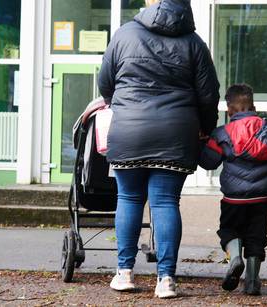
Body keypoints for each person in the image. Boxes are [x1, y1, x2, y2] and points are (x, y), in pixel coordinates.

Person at [97, 0, 220, 299]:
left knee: (128, 198)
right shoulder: (194, 43)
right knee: (165, 202)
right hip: (176, 134)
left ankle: (124, 273)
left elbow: (105, 83)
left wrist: (123, 106)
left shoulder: (124, 34)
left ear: (149, 3)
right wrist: (205, 128)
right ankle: (165, 279)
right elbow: (208, 95)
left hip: (130, 132)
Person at [199, 84, 267, 295]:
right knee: (257, 238)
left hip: (233, 199)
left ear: (230, 110)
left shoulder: (223, 133)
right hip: (261, 199)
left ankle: (235, 258)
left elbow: (209, 162)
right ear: (254, 106)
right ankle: (252, 280)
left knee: (229, 230)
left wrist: (200, 144)